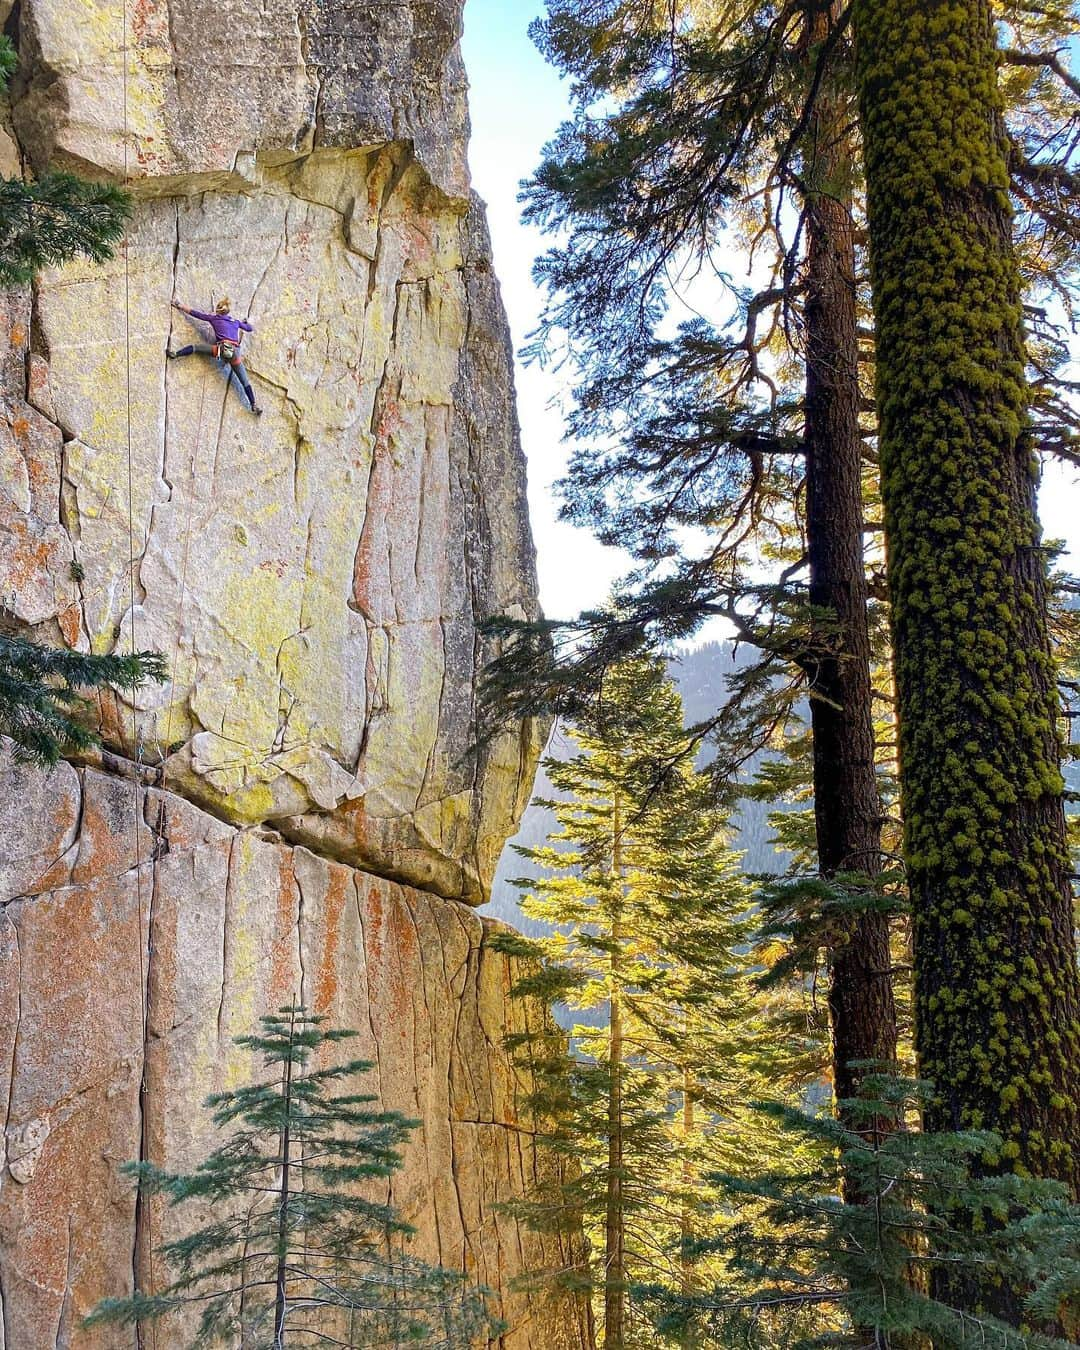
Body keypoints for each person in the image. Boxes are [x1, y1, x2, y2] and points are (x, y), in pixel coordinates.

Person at [168, 297, 262, 415]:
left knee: (196, 348)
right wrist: (246, 323)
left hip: (220, 350)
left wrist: (179, 305)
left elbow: (196, 314)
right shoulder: (236, 322)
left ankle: (176, 354)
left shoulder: (214, 318)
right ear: (227, 312)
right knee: (245, 381)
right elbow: (249, 328)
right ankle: (253, 404)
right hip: (234, 354)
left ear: (218, 310)